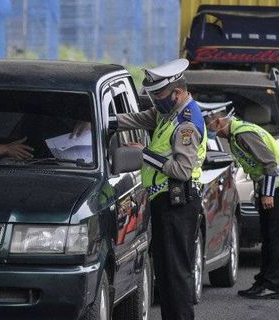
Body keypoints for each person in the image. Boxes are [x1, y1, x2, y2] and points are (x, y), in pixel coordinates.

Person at [110, 58, 207, 320]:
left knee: (175, 274)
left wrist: (146, 154)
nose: (154, 101)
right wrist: (106, 121)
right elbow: (140, 118)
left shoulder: (186, 123)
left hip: (179, 205)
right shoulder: (168, 113)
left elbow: (182, 170)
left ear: (177, 92)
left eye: (159, 96)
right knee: (165, 273)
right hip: (165, 203)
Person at [201, 101, 279, 300]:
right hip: (269, 185)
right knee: (268, 236)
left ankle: (273, 286)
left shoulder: (243, 134)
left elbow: (269, 163)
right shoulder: (236, 134)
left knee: (277, 236)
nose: (207, 131)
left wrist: (268, 194)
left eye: (207, 125)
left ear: (218, 121)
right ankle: (263, 281)